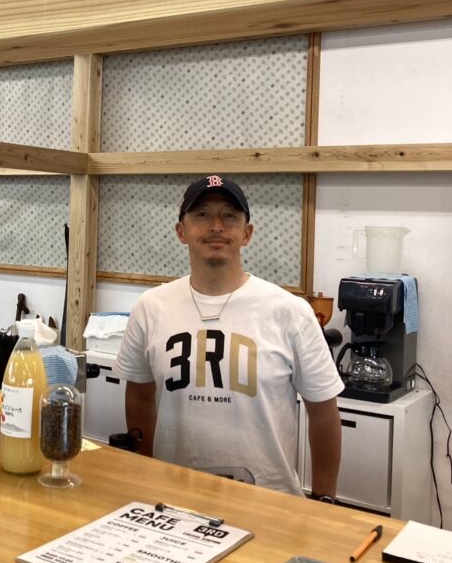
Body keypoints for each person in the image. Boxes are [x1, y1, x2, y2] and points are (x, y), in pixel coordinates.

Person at [112, 175, 343, 499]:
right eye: (202, 215)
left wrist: (324, 502)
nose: (216, 226)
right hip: (174, 500)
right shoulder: (151, 307)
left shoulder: (290, 312)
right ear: (181, 231)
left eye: (229, 216)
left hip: (268, 502)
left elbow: (323, 413)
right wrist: (147, 474)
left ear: (247, 233)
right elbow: (139, 395)